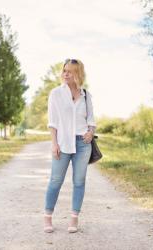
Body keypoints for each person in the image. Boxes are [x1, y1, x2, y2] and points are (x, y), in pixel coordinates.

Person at [44, 58, 96, 233]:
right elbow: (53, 122)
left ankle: (74, 219)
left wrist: (90, 131)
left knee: (79, 182)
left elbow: (91, 120)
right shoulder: (56, 94)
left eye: (70, 71)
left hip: (83, 143)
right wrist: (54, 143)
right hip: (62, 142)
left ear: (78, 73)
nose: (66, 73)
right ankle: (48, 217)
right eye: (64, 70)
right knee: (55, 181)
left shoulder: (86, 95)